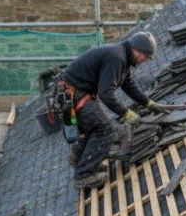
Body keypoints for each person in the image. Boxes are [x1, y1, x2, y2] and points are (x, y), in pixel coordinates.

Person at [59, 31, 166, 190]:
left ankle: (79, 158)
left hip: (76, 92)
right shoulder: (117, 57)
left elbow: (128, 85)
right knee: (106, 129)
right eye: (146, 57)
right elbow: (105, 94)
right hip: (73, 94)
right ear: (138, 50)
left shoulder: (123, 58)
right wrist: (126, 113)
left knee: (94, 124)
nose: (145, 61)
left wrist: (148, 103)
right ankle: (84, 175)